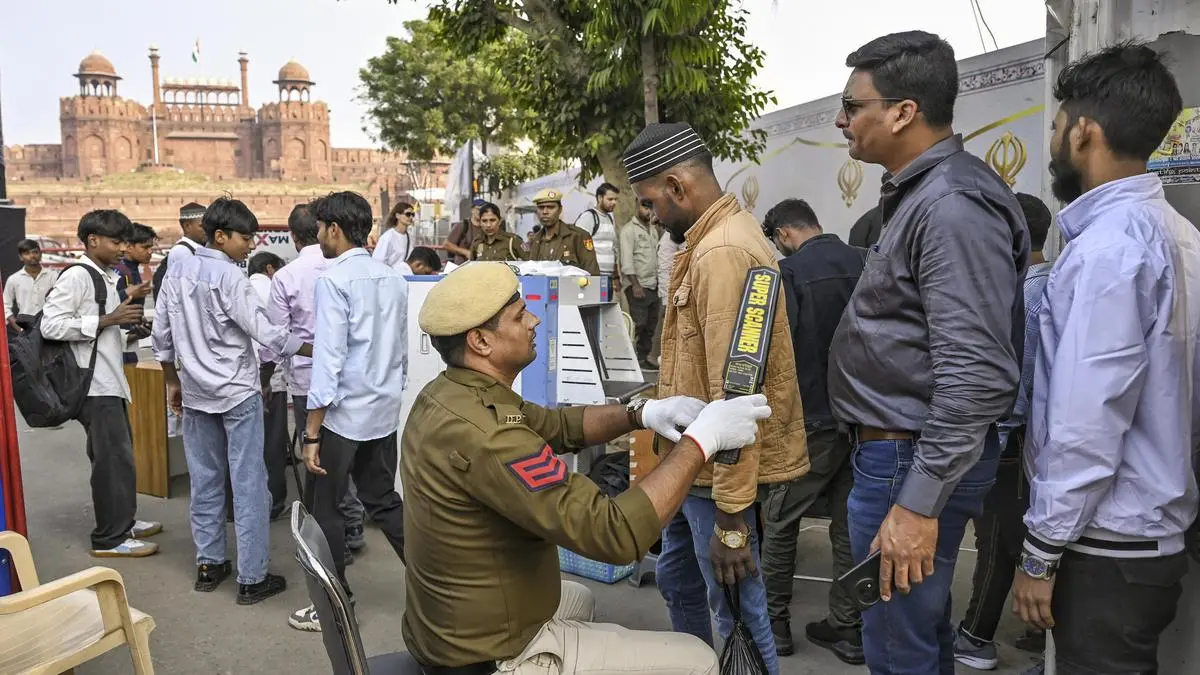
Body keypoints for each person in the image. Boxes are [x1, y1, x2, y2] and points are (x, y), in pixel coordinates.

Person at [402, 261, 773, 675]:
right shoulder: (490, 437)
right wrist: (702, 442)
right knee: (699, 659)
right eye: (519, 314)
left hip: (453, 620)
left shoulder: (449, 393)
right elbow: (614, 534)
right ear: (480, 342)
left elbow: (558, 425)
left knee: (580, 599)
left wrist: (642, 412)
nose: (534, 319)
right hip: (486, 655)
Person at [826, 32, 1029, 673]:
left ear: (903, 111)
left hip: (909, 458)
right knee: (913, 635)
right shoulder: (928, 194)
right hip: (902, 453)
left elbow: (974, 376)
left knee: (896, 646)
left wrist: (915, 503)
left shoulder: (951, 205)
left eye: (852, 105)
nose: (841, 119)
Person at [1012, 42, 1200, 675]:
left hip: (1106, 548)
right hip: (1149, 539)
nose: (1056, 140)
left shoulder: (1107, 253)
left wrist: (1039, 552)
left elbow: (1086, 424)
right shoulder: (1182, 237)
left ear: (1084, 131)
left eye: (1059, 127)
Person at [623, 122, 809, 675]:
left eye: (652, 203)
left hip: (713, 476)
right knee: (680, 581)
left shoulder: (723, 252)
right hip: (690, 465)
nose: (653, 216)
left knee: (737, 614)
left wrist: (731, 519)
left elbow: (739, 395)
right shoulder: (707, 241)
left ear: (678, 187)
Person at [153, 197, 311, 604]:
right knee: (248, 484)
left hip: (195, 392)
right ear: (220, 235)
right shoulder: (230, 278)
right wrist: (313, 349)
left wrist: (172, 381)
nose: (251, 246)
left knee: (204, 482)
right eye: (245, 237)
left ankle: (209, 564)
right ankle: (252, 577)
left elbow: (162, 337)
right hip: (237, 392)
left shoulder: (176, 274)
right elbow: (264, 331)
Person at [290, 191, 410, 632]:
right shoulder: (392, 277)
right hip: (381, 411)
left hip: (342, 418)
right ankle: (437, 584)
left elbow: (328, 360)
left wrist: (311, 431)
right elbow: (399, 352)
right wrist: (390, 395)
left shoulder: (334, 279)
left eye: (320, 228)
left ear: (333, 230)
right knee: (383, 500)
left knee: (328, 511)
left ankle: (335, 606)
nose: (319, 236)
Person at [758, 198, 865, 664]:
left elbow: (778, 355)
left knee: (781, 519)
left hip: (811, 417)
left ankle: (774, 623)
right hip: (864, 421)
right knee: (848, 526)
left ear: (783, 234)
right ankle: (849, 626)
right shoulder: (863, 261)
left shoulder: (790, 274)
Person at [953, 193, 1053, 670]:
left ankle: (974, 636)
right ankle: (1041, 634)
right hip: (1037, 441)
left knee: (995, 540)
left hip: (1010, 439)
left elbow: (1015, 385)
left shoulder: (1023, 298)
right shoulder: (1056, 282)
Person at [42, 210, 161, 557]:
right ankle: (111, 537)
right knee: (111, 461)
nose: (123, 248)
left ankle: (123, 520)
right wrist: (109, 319)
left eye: (126, 241)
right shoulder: (77, 276)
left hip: (109, 380)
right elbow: (52, 326)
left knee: (120, 458)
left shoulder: (105, 276)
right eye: (117, 241)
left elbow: (103, 333)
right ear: (93, 240)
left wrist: (127, 330)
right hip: (93, 385)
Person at [262, 204, 368, 560]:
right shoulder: (352, 269)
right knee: (343, 454)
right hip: (353, 380)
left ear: (293, 236)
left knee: (316, 459)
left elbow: (274, 338)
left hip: (308, 382)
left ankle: (328, 539)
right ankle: (351, 523)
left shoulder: (288, 276)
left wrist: (266, 378)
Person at [248, 251, 289, 520]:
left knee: (246, 447)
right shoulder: (272, 290)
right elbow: (275, 340)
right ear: (270, 269)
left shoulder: (241, 288)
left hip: (243, 379)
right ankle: (273, 502)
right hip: (269, 377)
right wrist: (266, 380)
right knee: (272, 444)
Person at [618, 198, 660, 371]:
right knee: (639, 324)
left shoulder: (653, 230)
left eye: (651, 207)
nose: (648, 211)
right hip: (637, 285)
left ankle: (643, 359)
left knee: (650, 325)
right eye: (644, 206)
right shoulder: (628, 230)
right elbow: (626, 261)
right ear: (636, 205)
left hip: (653, 285)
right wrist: (635, 285)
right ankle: (632, 360)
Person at [526, 189, 600, 275]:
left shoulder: (578, 236)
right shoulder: (534, 240)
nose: (545, 212)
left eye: (550, 207)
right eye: (541, 207)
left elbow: (593, 274)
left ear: (560, 210)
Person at [114, 223, 157, 364]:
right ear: (129, 247)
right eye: (145, 247)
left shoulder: (132, 270)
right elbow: (106, 305)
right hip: (116, 345)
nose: (150, 252)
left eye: (151, 247)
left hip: (129, 342)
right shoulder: (120, 271)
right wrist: (126, 294)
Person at [151, 201, 206, 298]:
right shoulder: (182, 252)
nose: (207, 229)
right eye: (202, 226)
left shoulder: (198, 249)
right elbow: (187, 293)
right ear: (187, 226)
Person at [575, 182, 622, 287]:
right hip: (593, 276)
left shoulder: (609, 218)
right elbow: (577, 245)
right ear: (600, 198)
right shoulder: (589, 217)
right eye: (610, 199)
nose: (614, 202)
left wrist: (616, 276)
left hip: (608, 277)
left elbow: (612, 249)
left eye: (615, 199)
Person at [5, 239, 58, 330]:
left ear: (40, 255)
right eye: (27, 253)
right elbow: (5, 306)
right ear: (21, 257)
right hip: (25, 329)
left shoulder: (53, 276)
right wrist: (19, 329)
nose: (32, 256)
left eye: (35, 252)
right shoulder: (14, 279)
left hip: (49, 327)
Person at [652, 224, 684, 367]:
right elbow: (665, 271)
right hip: (670, 294)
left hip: (680, 293)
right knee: (665, 327)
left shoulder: (682, 235)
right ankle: (656, 358)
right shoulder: (668, 239)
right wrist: (666, 299)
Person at [372, 200, 415, 268]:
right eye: (408, 214)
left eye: (413, 215)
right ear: (397, 215)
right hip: (390, 275)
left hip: (405, 276)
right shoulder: (388, 237)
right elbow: (378, 261)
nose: (411, 217)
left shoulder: (410, 237)